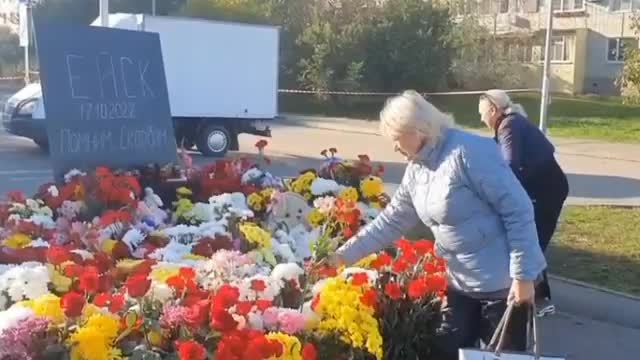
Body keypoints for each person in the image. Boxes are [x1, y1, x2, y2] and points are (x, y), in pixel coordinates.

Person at [328, 90, 547, 359]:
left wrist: (523, 276)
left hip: (503, 286)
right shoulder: (418, 168)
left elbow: (518, 209)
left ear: (418, 130)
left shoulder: (469, 152)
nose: (394, 147)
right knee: (444, 351)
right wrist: (342, 256)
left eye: (397, 139)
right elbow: (391, 220)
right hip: (460, 283)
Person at [479, 89, 569, 316]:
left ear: (493, 110)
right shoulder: (511, 123)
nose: (481, 119)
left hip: (546, 192)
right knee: (531, 240)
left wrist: (500, 196)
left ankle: (539, 300)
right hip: (545, 189)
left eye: (482, 113)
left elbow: (509, 164)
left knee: (531, 242)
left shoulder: (509, 125)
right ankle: (536, 298)